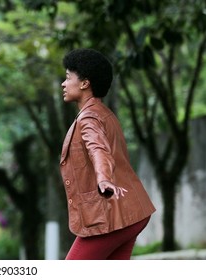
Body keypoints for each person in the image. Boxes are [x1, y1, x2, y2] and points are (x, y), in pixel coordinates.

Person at [59, 48, 156, 260]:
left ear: (85, 83)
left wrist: (103, 179)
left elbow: (98, 150)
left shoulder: (90, 119)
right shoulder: (104, 114)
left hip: (110, 214)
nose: (63, 84)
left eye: (68, 78)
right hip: (131, 212)